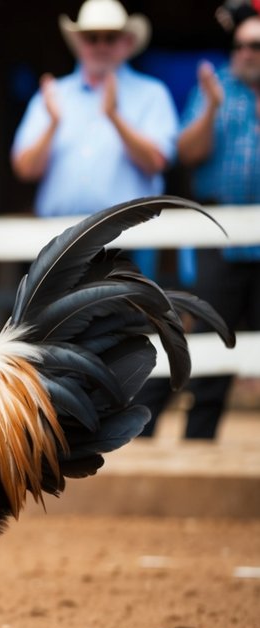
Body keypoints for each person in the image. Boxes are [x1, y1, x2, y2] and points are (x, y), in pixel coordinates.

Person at [137, 6, 260, 440]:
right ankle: (185, 445)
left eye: (256, 45)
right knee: (203, 347)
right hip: (220, 235)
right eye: (241, 45)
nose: (247, 53)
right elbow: (185, 154)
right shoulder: (216, 87)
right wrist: (210, 106)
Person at [11, 0, 179, 277]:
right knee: (61, 322)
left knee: (130, 320)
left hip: (130, 239)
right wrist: (53, 124)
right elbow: (24, 169)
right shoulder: (52, 95)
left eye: (110, 37)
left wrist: (114, 117)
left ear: (127, 42)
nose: (101, 45)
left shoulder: (152, 94)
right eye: (92, 38)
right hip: (60, 240)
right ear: (78, 42)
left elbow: (157, 161)